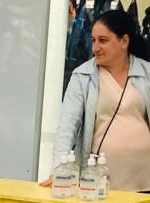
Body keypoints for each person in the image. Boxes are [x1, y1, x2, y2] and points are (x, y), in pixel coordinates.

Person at [43, 9, 150, 192]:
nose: (95, 48)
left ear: (124, 41)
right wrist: (57, 172)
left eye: (103, 40)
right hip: (99, 184)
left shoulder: (147, 72)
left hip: (145, 180)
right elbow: (67, 127)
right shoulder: (81, 76)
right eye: (93, 40)